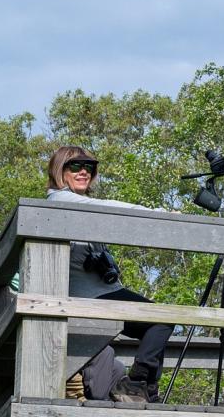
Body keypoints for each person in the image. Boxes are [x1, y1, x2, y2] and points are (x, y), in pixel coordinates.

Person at [45, 145, 175, 403]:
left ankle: (144, 387)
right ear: (60, 170)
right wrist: (160, 216)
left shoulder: (82, 209)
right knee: (162, 318)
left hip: (102, 294)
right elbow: (110, 207)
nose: (84, 172)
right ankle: (138, 382)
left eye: (89, 168)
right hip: (87, 299)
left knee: (162, 319)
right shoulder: (60, 200)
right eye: (75, 166)